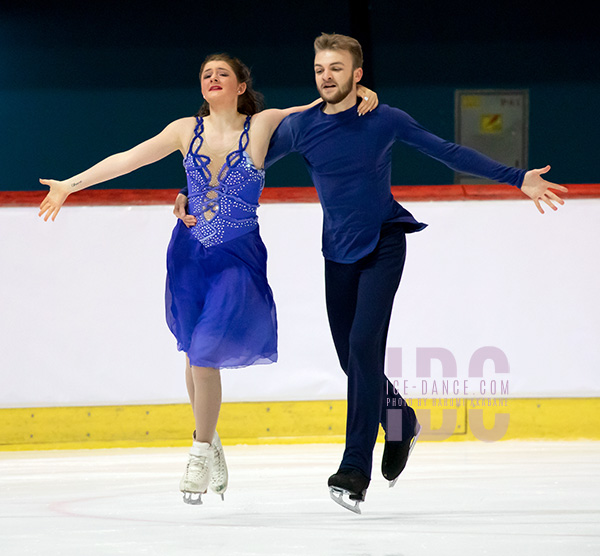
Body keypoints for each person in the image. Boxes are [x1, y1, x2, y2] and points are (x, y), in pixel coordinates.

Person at [174, 34, 568, 514]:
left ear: (357, 75)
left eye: (337, 68)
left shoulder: (384, 119)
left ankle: (353, 470)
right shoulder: (301, 129)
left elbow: (447, 152)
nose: (327, 76)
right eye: (321, 69)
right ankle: (401, 421)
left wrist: (517, 177)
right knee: (350, 359)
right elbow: (233, 165)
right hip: (337, 253)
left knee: (363, 349)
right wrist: (191, 196)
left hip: (384, 242)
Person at [38, 52, 377, 505]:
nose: (213, 78)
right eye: (206, 74)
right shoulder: (184, 130)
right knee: (195, 352)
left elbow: (322, 108)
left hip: (237, 255)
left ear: (240, 86)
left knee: (204, 349)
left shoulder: (263, 124)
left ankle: (199, 451)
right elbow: (128, 160)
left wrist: (363, 93)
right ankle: (210, 438)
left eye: (223, 74)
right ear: (202, 88)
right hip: (188, 254)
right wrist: (70, 184)